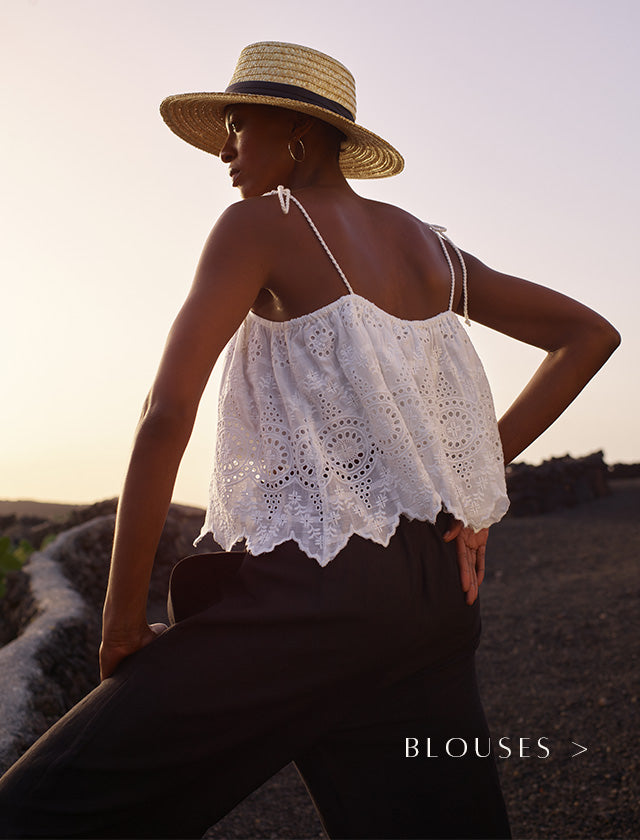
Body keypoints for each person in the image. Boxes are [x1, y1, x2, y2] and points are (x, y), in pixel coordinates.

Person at [0, 41, 620, 840]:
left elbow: (164, 412)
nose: (224, 149)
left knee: (42, 813)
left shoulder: (259, 226)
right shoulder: (427, 245)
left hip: (318, 598)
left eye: (237, 126)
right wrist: (472, 490)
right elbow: (587, 335)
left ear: (297, 132)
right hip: (437, 597)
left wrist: (121, 623)